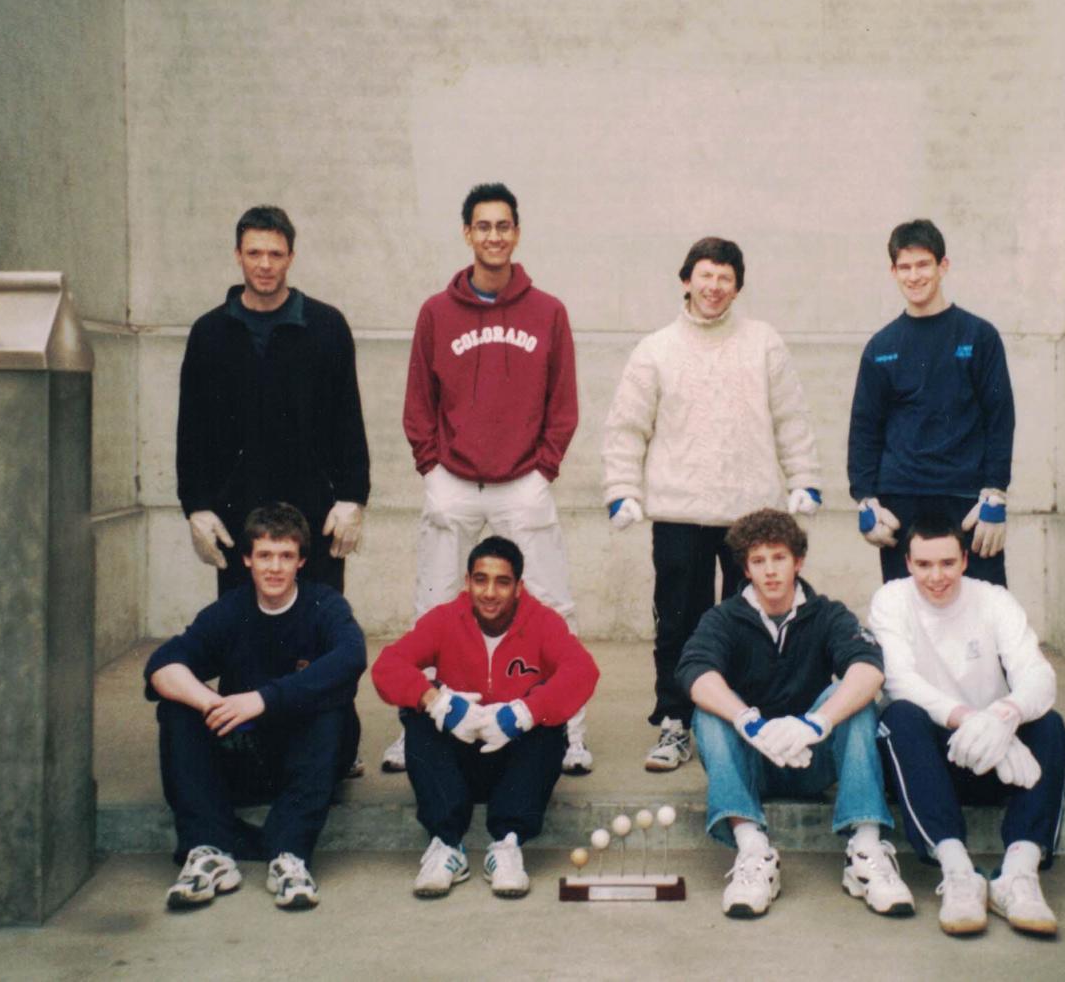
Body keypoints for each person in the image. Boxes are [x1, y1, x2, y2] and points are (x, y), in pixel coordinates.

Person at [387, 182, 591, 775]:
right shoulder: (436, 312)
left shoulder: (548, 310)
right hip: (451, 480)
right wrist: (431, 464)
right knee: (432, 607)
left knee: (552, 604)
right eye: (484, 226)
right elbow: (418, 400)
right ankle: (415, 730)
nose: (494, 236)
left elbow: (565, 401)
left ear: (517, 234)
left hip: (523, 482)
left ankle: (569, 732)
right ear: (467, 233)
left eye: (504, 226)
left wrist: (544, 465)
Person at [603, 237, 822, 774]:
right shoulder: (655, 349)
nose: (714, 287)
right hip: (680, 512)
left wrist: (804, 480)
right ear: (686, 280)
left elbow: (790, 416)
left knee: (753, 619)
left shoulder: (763, 342)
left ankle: (741, 716)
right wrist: (621, 490)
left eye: (725, 277)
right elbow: (628, 427)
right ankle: (676, 722)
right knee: (680, 620)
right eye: (705, 275)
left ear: (737, 286)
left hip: (750, 514)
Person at [675, 509, 910, 920]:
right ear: (745, 569)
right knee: (710, 712)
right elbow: (694, 672)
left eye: (779, 557)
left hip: (812, 758)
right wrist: (749, 721)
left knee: (851, 696)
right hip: (753, 761)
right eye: (759, 560)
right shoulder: (724, 618)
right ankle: (753, 851)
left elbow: (869, 668)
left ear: (798, 561)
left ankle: (866, 849)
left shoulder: (828, 613)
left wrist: (815, 723)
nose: (770, 571)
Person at [145, 503, 366, 912]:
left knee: (332, 706)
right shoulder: (230, 611)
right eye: (264, 555)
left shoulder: (324, 606)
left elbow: (351, 658)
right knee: (177, 708)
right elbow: (161, 665)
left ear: (301, 561)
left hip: (308, 757)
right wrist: (212, 703)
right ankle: (209, 851)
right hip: (247, 756)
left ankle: (289, 855)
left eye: (285, 556)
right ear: (247, 558)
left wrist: (262, 699)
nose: (274, 568)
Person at [866, 514, 1065, 937]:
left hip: (994, 755)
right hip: (929, 759)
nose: (936, 576)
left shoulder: (993, 599)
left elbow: (1038, 675)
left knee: (1051, 727)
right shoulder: (892, 599)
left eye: (946, 563)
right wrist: (972, 719)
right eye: (924, 565)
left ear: (964, 560)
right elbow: (899, 679)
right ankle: (959, 873)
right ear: (907, 563)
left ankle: (1018, 875)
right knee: (899, 717)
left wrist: (1005, 716)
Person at [371, 536, 599, 899]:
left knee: (549, 724)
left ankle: (507, 845)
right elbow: (387, 666)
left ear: (519, 587)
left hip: (513, 763)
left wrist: (524, 712)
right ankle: (446, 845)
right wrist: (438, 702)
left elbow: (583, 671)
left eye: (502, 582)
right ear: (467, 582)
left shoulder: (542, 621)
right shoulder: (445, 619)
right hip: (457, 759)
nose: (489, 592)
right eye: (480, 579)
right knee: (416, 715)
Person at [177, 205, 370, 597]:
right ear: (238, 255)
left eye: (276, 254)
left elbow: (347, 419)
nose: (265, 264)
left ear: (291, 258)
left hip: (315, 513)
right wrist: (196, 506)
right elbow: (191, 428)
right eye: (254, 253)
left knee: (317, 635)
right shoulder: (210, 333)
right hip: (236, 514)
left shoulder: (327, 327)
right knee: (243, 640)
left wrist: (353, 498)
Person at [846, 218, 1014, 587]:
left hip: (968, 500)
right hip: (901, 501)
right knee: (908, 615)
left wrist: (996, 493)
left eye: (923, 264)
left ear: (943, 266)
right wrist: (864, 499)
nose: (914, 276)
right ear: (893, 272)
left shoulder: (979, 336)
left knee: (984, 611)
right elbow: (864, 427)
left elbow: (1000, 418)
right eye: (904, 267)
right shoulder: (881, 346)